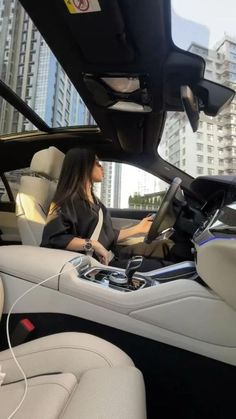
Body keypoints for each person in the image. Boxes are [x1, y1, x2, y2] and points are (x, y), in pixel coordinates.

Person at [41, 148, 172, 271]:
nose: (101, 167)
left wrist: (139, 228)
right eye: (97, 163)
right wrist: (93, 244)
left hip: (111, 254)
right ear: (84, 167)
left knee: (166, 247)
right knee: (162, 268)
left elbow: (109, 235)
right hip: (95, 265)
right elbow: (54, 239)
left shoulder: (97, 203)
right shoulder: (66, 201)